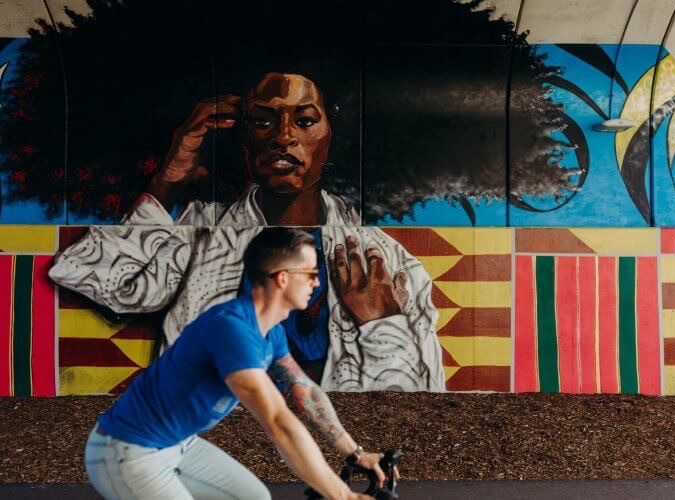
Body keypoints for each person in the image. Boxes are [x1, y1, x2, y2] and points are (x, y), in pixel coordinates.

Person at [50, 72, 444, 392]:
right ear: (243, 140)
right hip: (213, 442)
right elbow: (95, 278)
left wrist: (382, 324)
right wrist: (168, 180)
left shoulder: (384, 261)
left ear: (330, 137)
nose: (283, 136)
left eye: (305, 121)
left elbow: (418, 403)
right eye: (263, 122)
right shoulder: (202, 232)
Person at [85, 227, 391, 500]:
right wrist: (341, 495)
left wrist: (355, 453)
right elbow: (278, 423)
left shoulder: (270, 331)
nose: (317, 282)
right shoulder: (231, 329)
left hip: (179, 445)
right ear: (283, 278)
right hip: (128, 452)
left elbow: (305, 393)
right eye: (310, 273)